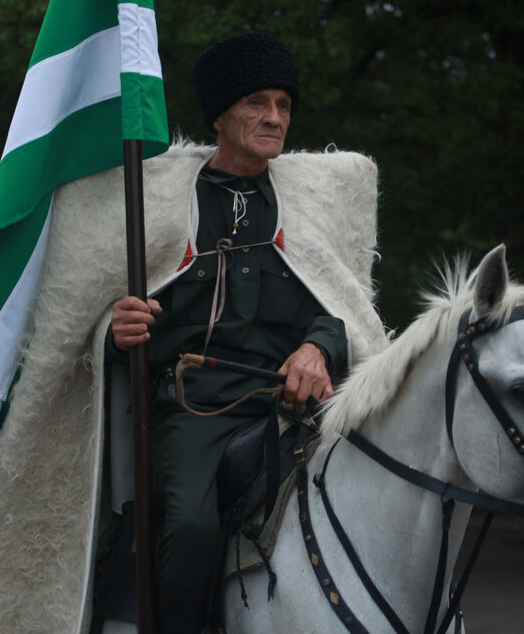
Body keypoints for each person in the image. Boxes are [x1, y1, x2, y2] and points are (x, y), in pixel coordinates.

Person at [106, 32, 348, 632]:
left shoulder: (311, 203)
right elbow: (94, 314)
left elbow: (342, 303)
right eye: (256, 103)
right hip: (195, 408)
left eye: (284, 105)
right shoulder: (160, 200)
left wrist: (319, 347)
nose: (273, 118)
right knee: (189, 528)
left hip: (292, 404)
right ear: (218, 117)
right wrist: (117, 330)